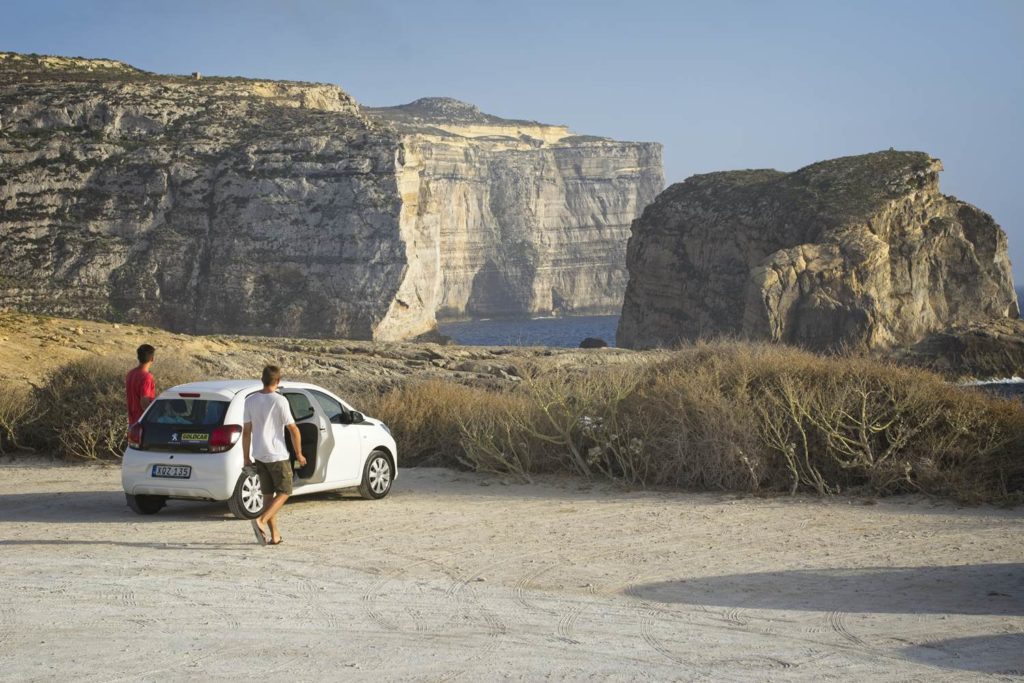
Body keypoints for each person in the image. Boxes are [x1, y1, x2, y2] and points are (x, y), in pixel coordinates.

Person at [243, 365, 304, 546]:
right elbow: (293, 429)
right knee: (285, 491)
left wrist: (246, 458)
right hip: (277, 455)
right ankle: (261, 521)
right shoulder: (280, 401)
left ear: (262, 379)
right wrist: (299, 454)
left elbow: (246, 432)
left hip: (260, 455)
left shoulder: (250, 400)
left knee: (268, 498)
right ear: (278, 381)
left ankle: (274, 535)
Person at [125, 344, 156, 426]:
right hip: (143, 423)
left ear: (138, 357)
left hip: (132, 421)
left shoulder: (130, 374)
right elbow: (144, 402)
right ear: (152, 359)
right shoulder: (147, 377)